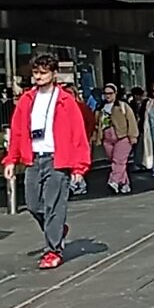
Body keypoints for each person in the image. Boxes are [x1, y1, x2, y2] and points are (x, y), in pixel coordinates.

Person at [2, 54, 91, 269]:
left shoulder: (66, 101)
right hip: (33, 158)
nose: (38, 77)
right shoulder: (26, 100)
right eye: (36, 73)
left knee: (54, 206)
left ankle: (53, 250)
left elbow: (78, 134)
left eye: (43, 73)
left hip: (57, 160)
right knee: (33, 204)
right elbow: (17, 132)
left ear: (53, 74)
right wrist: (11, 160)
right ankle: (57, 228)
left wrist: (80, 167)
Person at [97, 83, 139, 194]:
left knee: (119, 161)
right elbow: (98, 124)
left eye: (110, 93)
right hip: (107, 138)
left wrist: (133, 135)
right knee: (116, 162)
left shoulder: (123, 106)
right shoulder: (101, 108)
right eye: (105, 94)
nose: (107, 96)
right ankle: (125, 183)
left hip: (122, 137)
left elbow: (131, 120)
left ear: (115, 94)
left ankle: (114, 181)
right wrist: (97, 137)